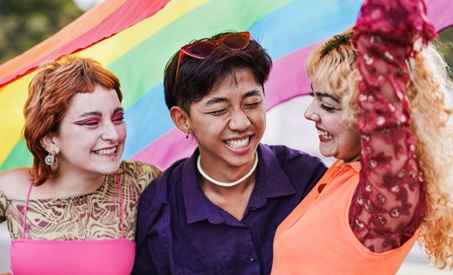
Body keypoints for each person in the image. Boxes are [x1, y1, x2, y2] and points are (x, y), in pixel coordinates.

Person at [271, 0, 453, 273]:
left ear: (370, 115)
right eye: (314, 98)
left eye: (329, 106)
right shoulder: (343, 171)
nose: (309, 113)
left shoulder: (382, 200)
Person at [132, 31, 327, 274]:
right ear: (182, 119)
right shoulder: (159, 209)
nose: (241, 122)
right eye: (219, 110)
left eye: (252, 104)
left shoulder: (308, 179)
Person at [0, 56, 161, 274]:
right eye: (91, 123)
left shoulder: (140, 181)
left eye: (117, 117)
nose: (113, 134)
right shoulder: (13, 189)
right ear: (49, 139)